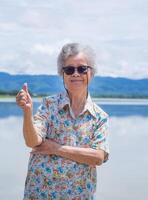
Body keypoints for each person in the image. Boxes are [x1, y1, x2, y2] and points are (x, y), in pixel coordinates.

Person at [16, 43, 109, 200]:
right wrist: (27, 111)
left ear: (91, 73)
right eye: (69, 69)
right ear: (62, 74)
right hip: (39, 194)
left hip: (79, 196)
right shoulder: (49, 105)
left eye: (82, 69)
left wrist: (55, 148)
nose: (75, 74)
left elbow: (98, 157)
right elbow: (33, 141)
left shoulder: (100, 117)